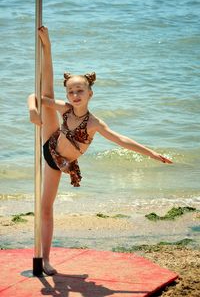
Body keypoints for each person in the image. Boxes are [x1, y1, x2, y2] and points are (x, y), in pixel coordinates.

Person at [28, 26, 172, 275]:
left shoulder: (94, 122)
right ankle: (48, 45)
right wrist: (32, 110)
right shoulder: (65, 109)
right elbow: (36, 97)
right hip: (50, 144)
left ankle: (47, 259)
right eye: (71, 91)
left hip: (59, 162)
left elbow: (121, 140)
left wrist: (152, 153)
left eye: (80, 91)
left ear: (90, 94)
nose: (74, 94)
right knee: (45, 93)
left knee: (47, 208)